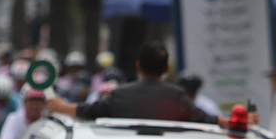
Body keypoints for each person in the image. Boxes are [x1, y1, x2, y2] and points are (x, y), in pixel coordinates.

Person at [52, 42, 223, 125]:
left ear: (138, 66)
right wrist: (236, 121)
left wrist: (60, 107)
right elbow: (207, 119)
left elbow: (89, 111)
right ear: (166, 69)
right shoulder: (176, 98)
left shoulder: (119, 96)